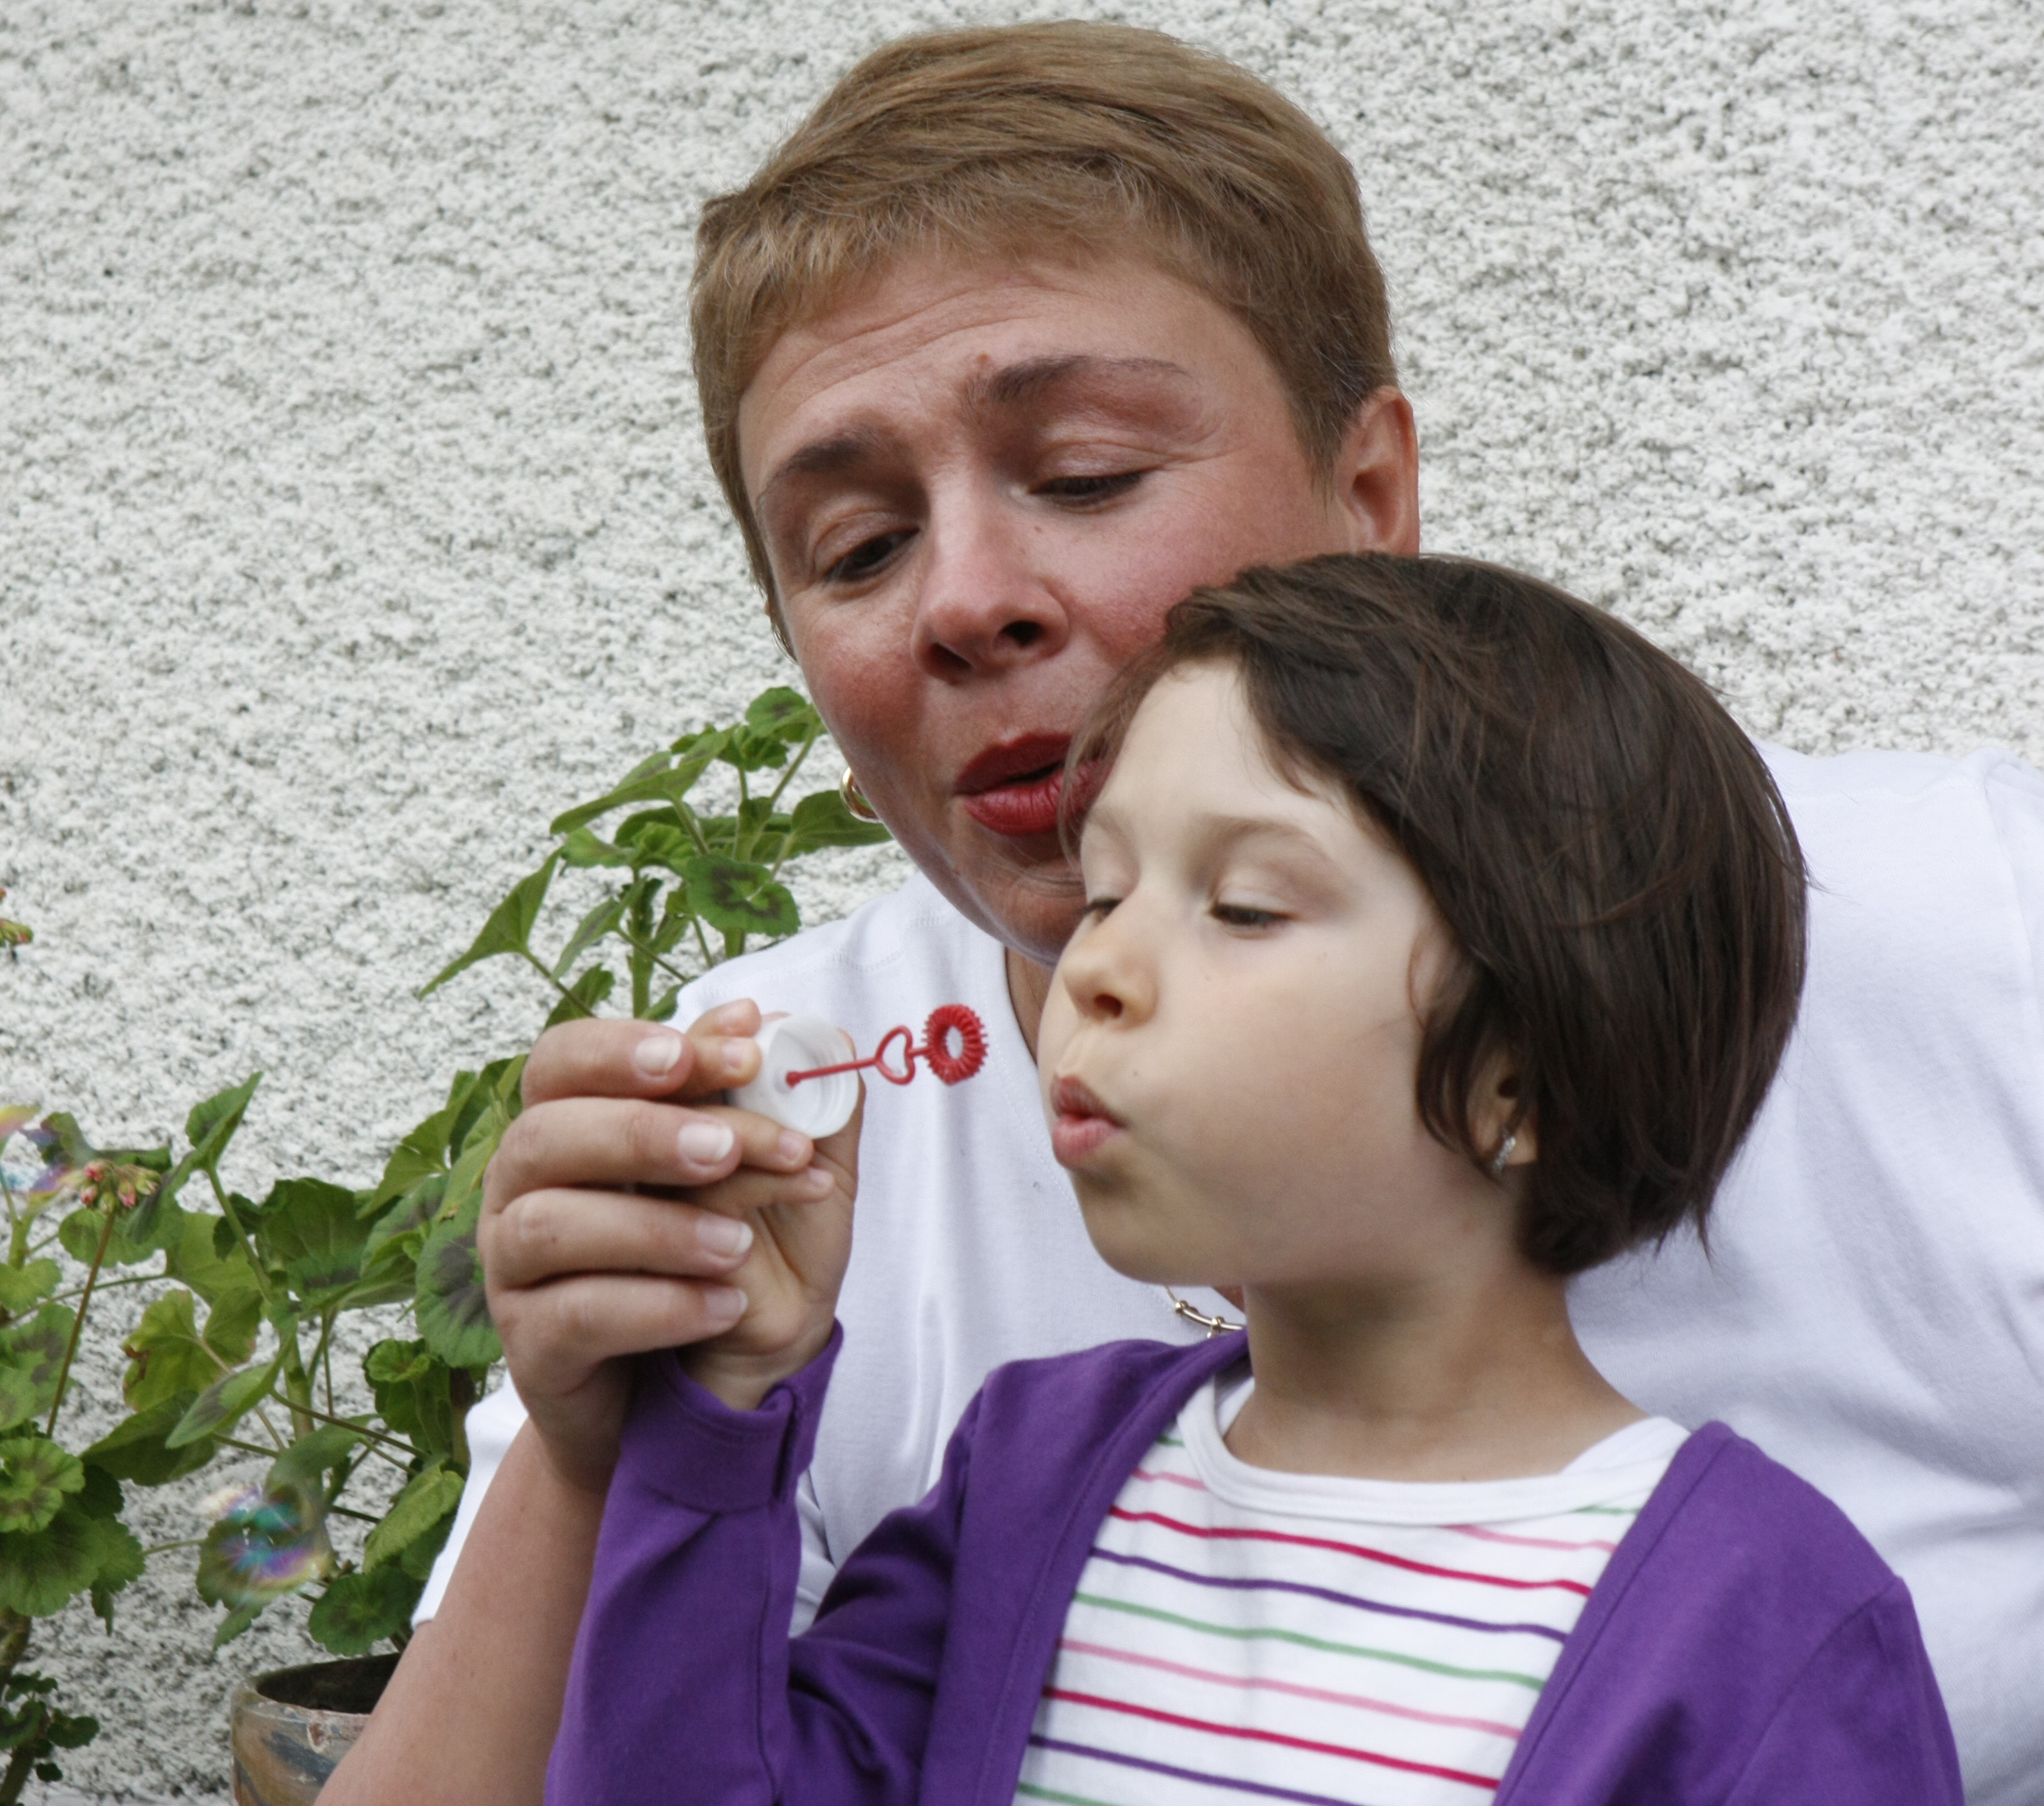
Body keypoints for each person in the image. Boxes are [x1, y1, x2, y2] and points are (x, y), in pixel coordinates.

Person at [327, 24, 2044, 1806]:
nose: (965, 601)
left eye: (1087, 474)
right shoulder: (799, 1152)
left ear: (1372, 493)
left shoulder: (1970, 933)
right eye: (857, 548)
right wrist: (614, 1446)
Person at [547, 553, 1964, 1805]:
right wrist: (722, 1401)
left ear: (1516, 1080)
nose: (1091, 966)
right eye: (1105, 890)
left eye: (1241, 904)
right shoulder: (1031, 1480)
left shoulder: (1766, 1617)